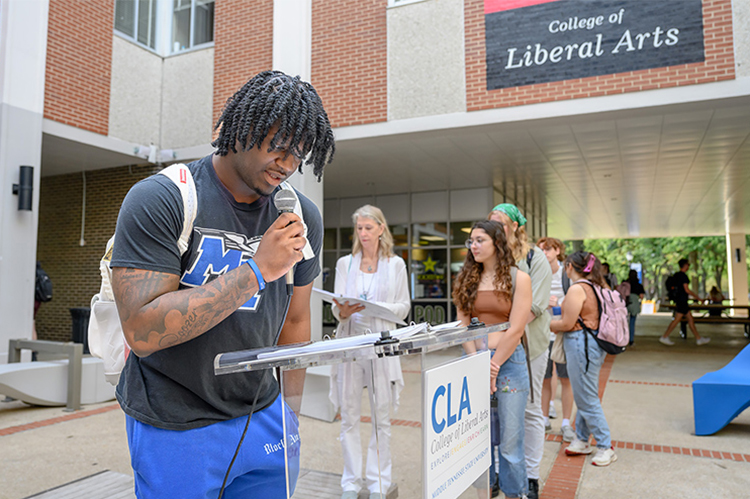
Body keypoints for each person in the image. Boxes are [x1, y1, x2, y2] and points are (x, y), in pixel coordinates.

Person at [110, 71, 335, 499]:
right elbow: (142, 331)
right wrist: (255, 271)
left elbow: (296, 319)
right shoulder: (162, 198)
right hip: (174, 422)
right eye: (280, 148)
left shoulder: (300, 215)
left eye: (299, 155)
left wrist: (291, 412)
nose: (287, 166)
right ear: (245, 127)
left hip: (264, 413)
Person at [330, 205, 410, 499]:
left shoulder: (395, 265)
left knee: (381, 418)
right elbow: (335, 305)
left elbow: (404, 307)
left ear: (380, 229)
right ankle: (350, 483)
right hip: (351, 344)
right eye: (359, 228)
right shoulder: (345, 263)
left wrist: (380, 309)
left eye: (368, 228)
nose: (363, 233)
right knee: (349, 416)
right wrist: (343, 311)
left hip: (381, 346)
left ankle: (378, 482)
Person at [454, 220, 531, 499]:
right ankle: (483, 494)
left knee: (510, 442)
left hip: (509, 364)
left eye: (479, 240)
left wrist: (493, 365)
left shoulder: (518, 278)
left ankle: (515, 494)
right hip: (474, 361)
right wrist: (477, 362)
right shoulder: (465, 279)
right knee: (479, 440)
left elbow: (517, 328)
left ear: (496, 243)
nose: (473, 246)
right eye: (471, 241)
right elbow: (462, 324)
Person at [488, 204, 551, 499]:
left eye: (500, 223)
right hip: (498, 347)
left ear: (515, 226)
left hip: (529, 346)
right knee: (500, 413)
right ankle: (503, 474)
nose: (495, 228)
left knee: (529, 410)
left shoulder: (534, 258)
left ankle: (531, 476)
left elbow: (535, 306)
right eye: (491, 223)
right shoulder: (489, 259)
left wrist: (507, 334)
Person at [550, 251, 617, 467]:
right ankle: (581, 439)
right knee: (584, 393)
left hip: (580, 344)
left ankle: (605, 445)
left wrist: (547, 325)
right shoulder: (597, 286)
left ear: (569, 266)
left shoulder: (577, 289)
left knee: (587, 397)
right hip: (593, 344)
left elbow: (568, 323)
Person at [536, 237, 575, 443]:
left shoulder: (566, 274)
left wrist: (561, 303)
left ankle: (566, 422)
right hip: (542, 334)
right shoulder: (537, 274)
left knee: (565, 379)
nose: (544, 252)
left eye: (548, 249)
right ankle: (544, 418)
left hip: (562, 333)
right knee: (544, 379)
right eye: (541, 249)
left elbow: (577, 298)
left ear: (557, 250)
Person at [659, 259, 710, 346]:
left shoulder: (676, 275)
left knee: (690, 319)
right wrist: (698, 298)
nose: (689, 266)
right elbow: (687, 290)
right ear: (685, 265)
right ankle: (665, 336)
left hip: (679, 300)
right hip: (682, 301)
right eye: (688, 264)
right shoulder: (683, 277)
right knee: (677, 320)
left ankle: (698, 338)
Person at [624, 270, 645, 345]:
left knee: (624, 322)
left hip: (625, 303)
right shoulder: (639, 285)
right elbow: (641, 296)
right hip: (634, 303)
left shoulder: (625, 284)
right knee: (632, 322)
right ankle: (631, 340)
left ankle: (623, 338)